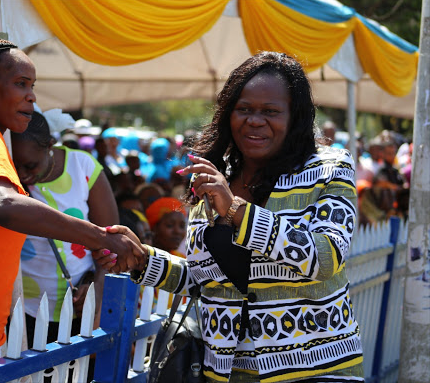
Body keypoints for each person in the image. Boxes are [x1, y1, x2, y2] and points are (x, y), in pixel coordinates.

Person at [95, 51, 363, 382]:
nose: (255, 120)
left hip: (316, 368)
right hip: (227, 372)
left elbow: (325, 257)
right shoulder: (212, 176)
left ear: (295, 118)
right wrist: (142, 261)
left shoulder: (329, 168)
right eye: (245, 109)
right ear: (228, 114)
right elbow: (202, 280)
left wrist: (235, 209)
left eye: (271, 112)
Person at [0, 38, 141, 378]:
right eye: (21, 84)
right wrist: (100, 236)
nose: (32, 96)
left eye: (32, 86)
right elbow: (2, 204)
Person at [10, 110, 118, 347]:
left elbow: (111, 237)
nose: (23, 176)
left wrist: (97, 285)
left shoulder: (82, 166)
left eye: (30, 165)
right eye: (15, 166)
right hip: (25, 310)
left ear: (50, 145)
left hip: (82, 309)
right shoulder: (8, 179)